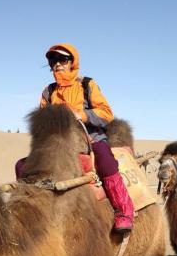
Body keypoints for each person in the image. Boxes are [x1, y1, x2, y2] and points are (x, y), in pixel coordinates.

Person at [39, 43, 134, 232]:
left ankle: (124, 211)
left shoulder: (86, 84)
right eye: (53, 60)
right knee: (24, 166)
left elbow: (107, 114)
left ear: (72, 62)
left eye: (62, 59)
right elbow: (41, 121)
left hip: (91, 139)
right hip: (60, 144)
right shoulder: (48, 92)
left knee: (106, 161)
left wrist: (82, 115)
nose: (57, 64)